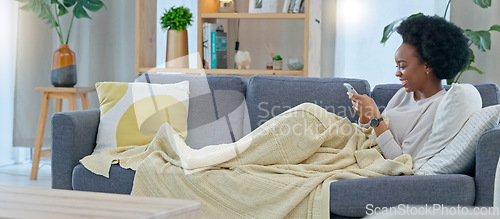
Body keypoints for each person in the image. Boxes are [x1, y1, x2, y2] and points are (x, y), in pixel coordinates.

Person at [348, 15, 470, 160]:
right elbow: (369, 138)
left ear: (428, 65)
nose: (397, 73)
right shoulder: (404, 94)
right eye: (397, 66)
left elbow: (401, 160)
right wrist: (364, 116)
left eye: (403, 66)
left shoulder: (437, 107)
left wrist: (375, 116)